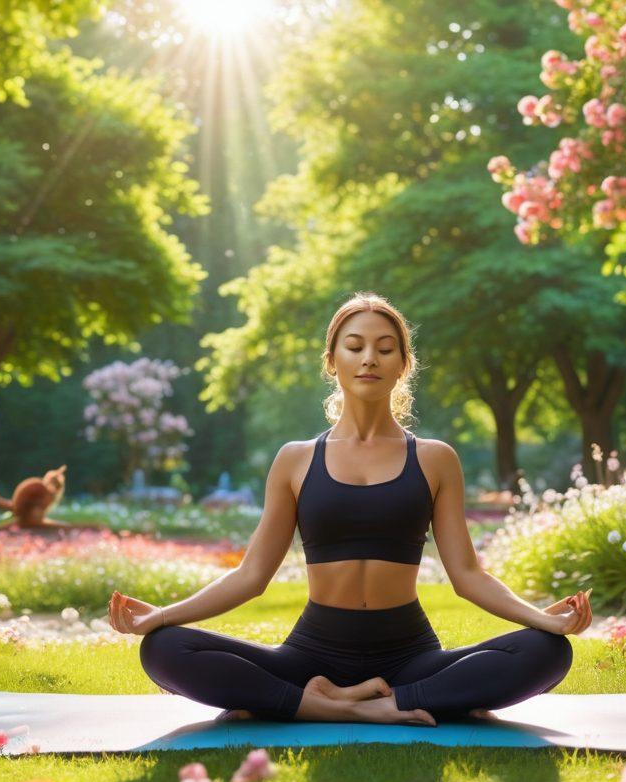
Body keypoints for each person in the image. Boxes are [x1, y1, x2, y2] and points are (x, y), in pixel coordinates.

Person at [109, 293, 591, 727]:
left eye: (385, 348)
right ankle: (338, 704)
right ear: (332, 360)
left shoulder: (435, 458)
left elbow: (467, 575)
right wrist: (162, 616)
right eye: (355, 346)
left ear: (404, 363)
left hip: (410, 655)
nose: (369, 359)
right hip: (311, 654)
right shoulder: (295, 460)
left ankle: (355, 702)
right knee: (165, 648)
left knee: (547, 651)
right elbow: (251, 576)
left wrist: (543, 621)